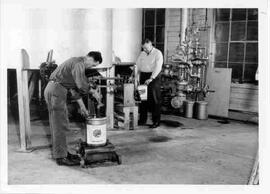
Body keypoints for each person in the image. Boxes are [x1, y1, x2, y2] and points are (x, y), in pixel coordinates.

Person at [44, 51, 102, 166]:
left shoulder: (75, 62)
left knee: (59, 124)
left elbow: (74, 90)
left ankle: (62, 152)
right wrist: (92, 91)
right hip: (56, 91)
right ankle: (61, 157)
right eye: (94, 65)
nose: (92, 67)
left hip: (55, 89)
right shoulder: (78, 64)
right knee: (60, 125)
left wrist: (83, 107)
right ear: (91, 59)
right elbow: (81, 84)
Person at [135, 39, 163, 128]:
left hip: (154, 77)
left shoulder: (158, 53)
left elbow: (158, 67)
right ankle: (142, 120)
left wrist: (151, 78)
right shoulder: (142, 54)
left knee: (155, 100)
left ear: (151, 45)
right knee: (143, 99)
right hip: (143, 76)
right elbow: (137, 65)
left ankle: (156, 121)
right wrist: (134, 76)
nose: (145, 50)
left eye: (146, 48)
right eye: (143, 48)